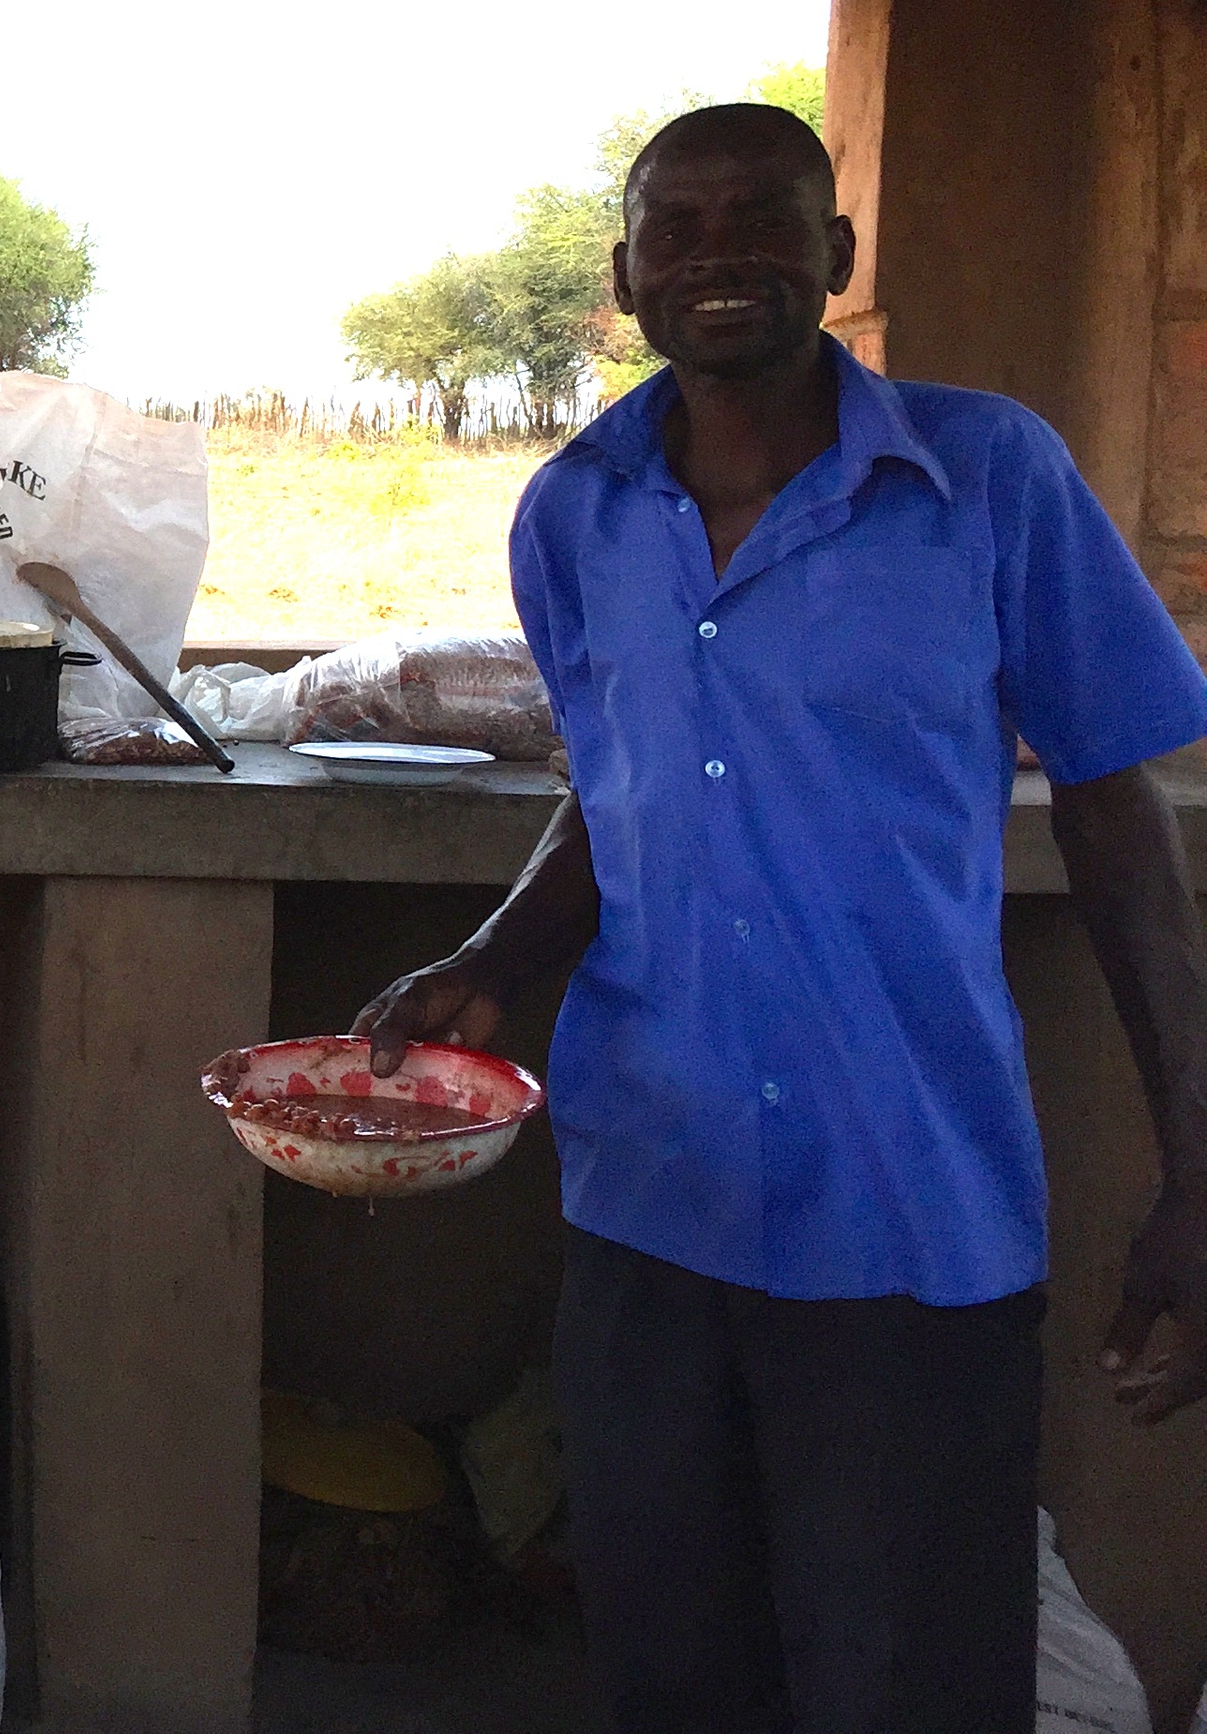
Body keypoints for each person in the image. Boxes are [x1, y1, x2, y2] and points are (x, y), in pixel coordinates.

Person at [356, 102, 1207, 1734]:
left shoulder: (986, 475)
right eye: (678, 227)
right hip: (647, 1213)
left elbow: (1112, 799)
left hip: (909, 1217)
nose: (721, 254)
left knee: (910, 1687)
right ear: (625, 275)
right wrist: (497, 957)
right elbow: (618, 793)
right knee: (678, 1682)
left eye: (765, 218)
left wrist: (1196, 1152)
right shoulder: (573, 512)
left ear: (836, 256)